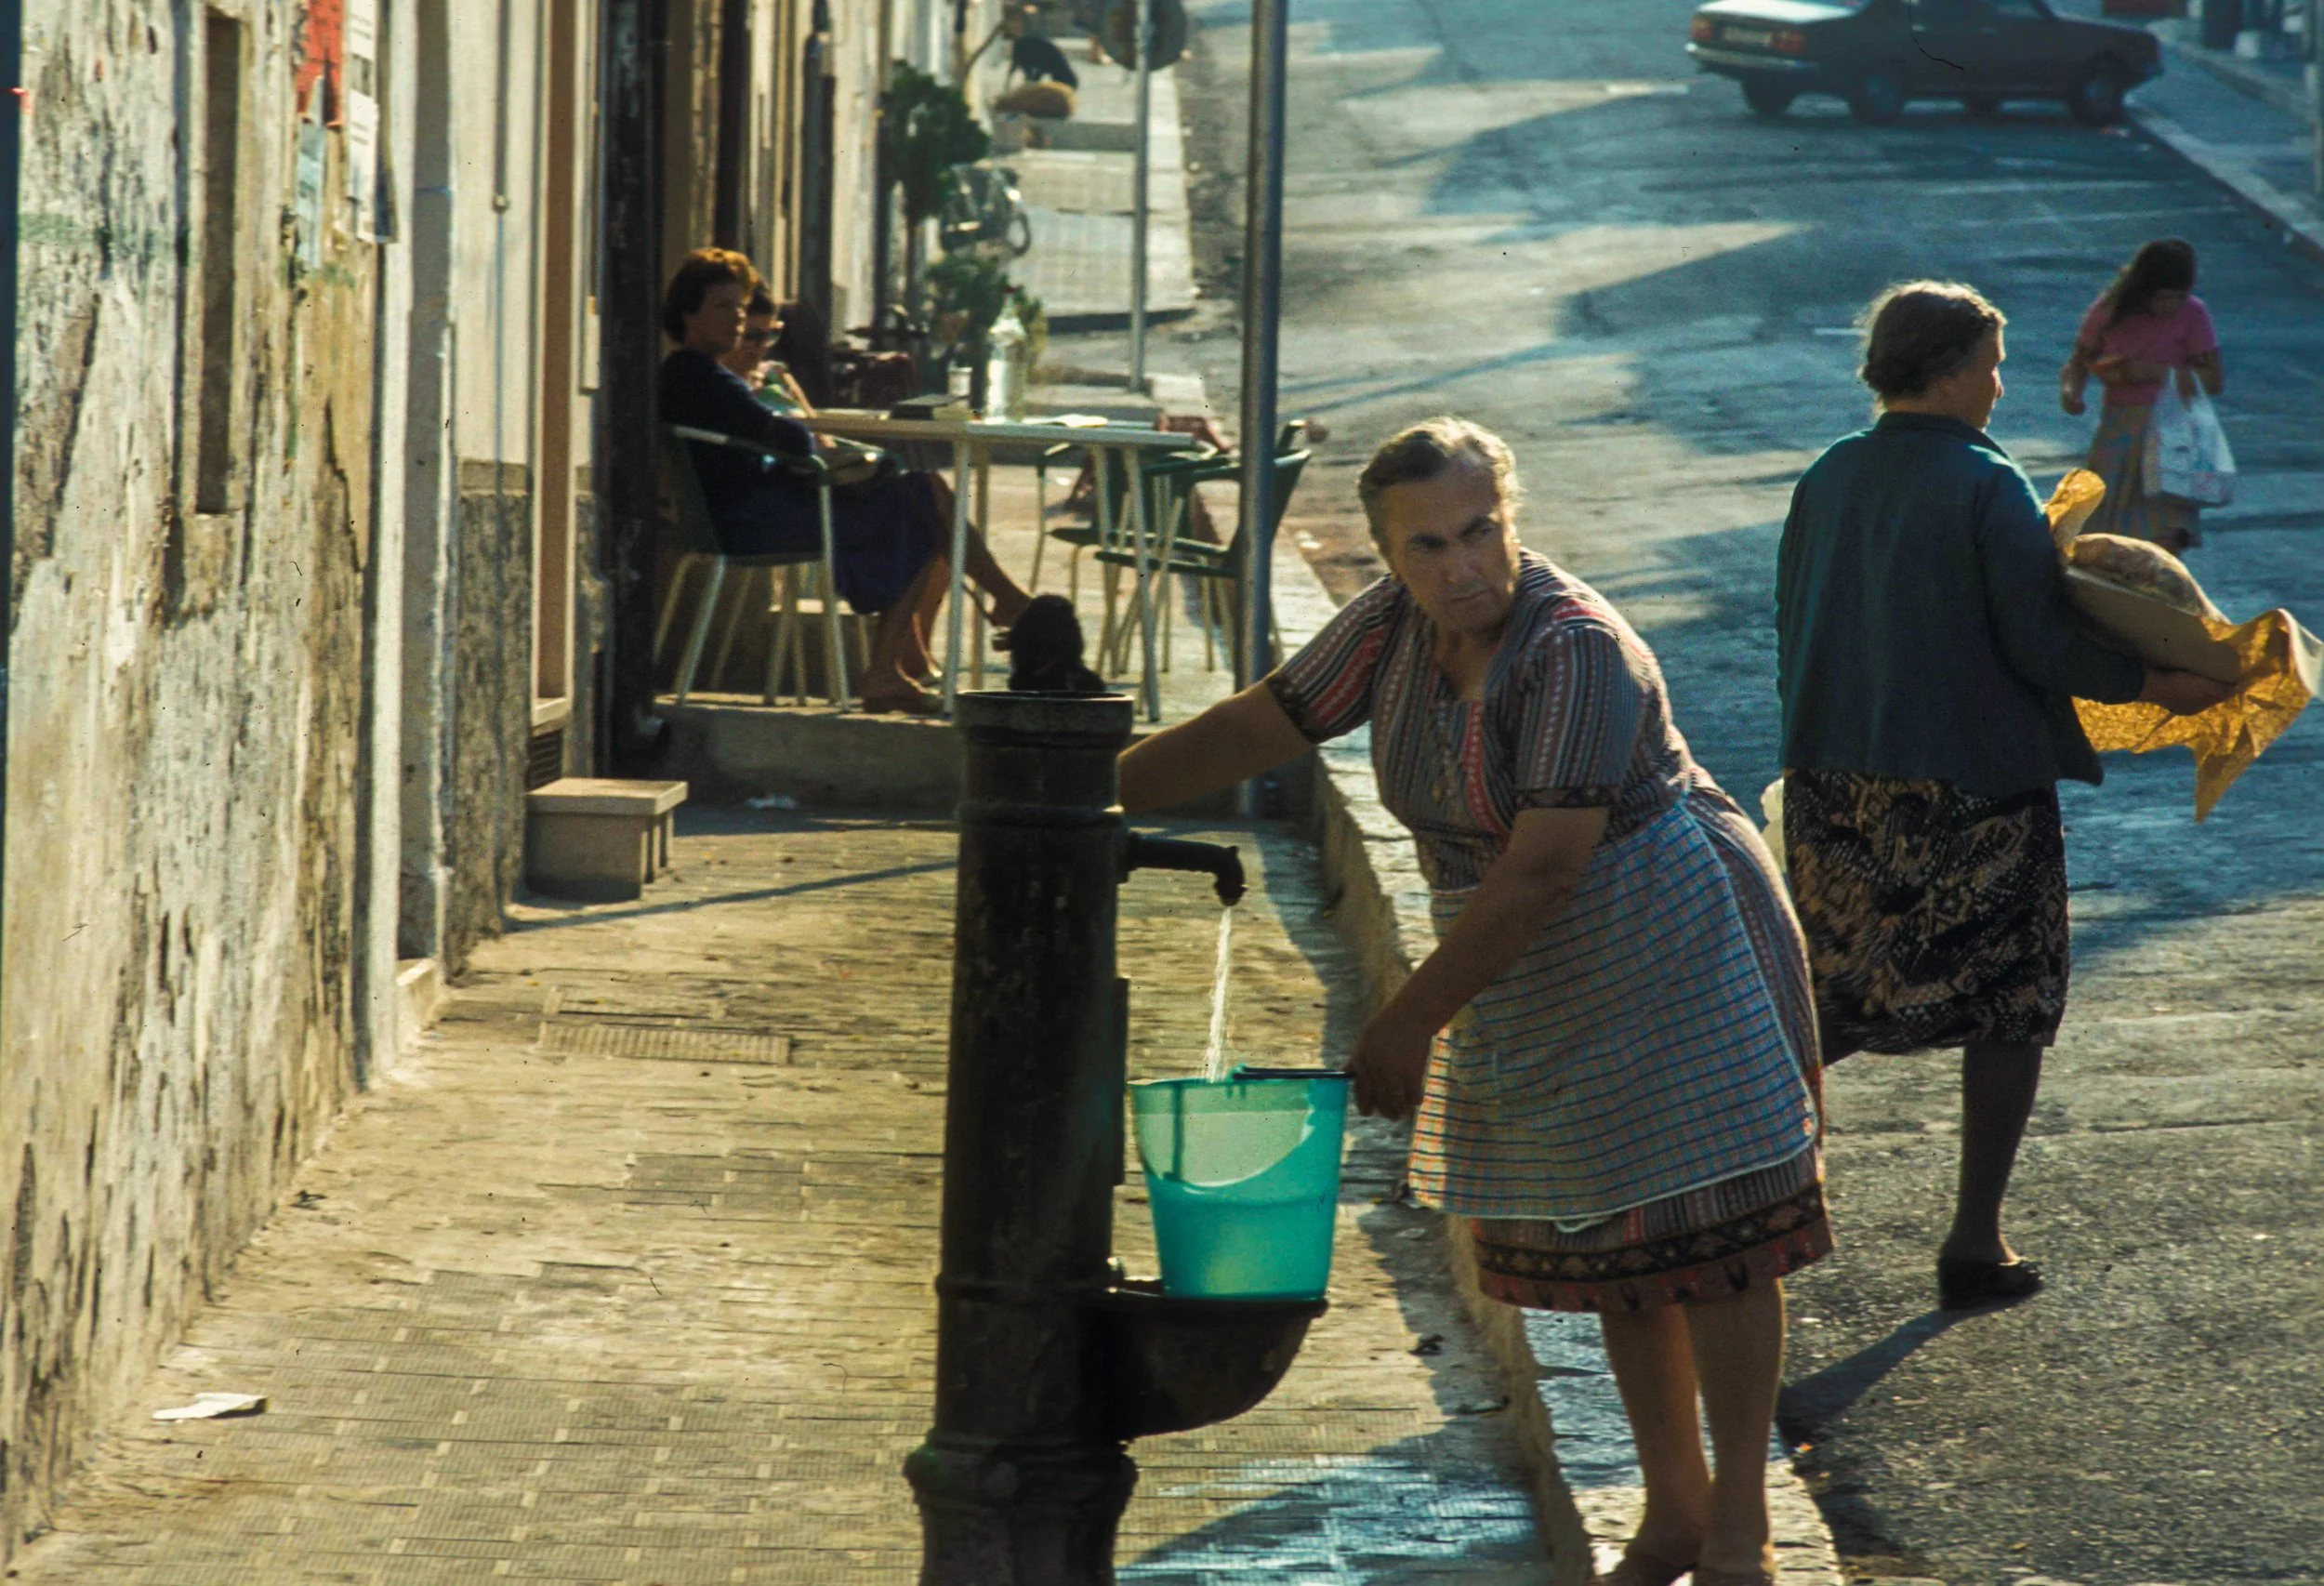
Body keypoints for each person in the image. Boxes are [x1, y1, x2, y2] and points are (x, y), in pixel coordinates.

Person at [1122, 418, 1829, 1586]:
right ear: (1389, 556)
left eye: (1479, 530)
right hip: (1534, 963)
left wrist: (1409, 1020)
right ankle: (1672, 1514)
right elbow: (1259, 722)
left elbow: (1545, 866)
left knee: (1721, 1235)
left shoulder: (1574, 649)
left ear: (1510, 517)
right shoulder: (1391, 629)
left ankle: (1740, 1534)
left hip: (1669, 935)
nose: (1461, 565)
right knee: (1616, 1237)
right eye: (1429, 545)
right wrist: (1082, 796)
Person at [1777, 282, 2231, 1311]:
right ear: (1944, 372)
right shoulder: (1987, 483)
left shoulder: (1828, 475)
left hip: (1833, 782)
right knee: (2009, 1005)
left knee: (1835, 997)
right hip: (1973, 788)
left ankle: (1736, 1182)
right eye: (1989, 364)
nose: (1997, 383)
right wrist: (2156, 681)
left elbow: (1791, 617)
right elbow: (2041, 642)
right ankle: (1974, 1242)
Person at [658, 249, 1029, 712]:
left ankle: (912, 656)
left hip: (755, 513)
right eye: (722, 306)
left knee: (923, 499)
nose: (736, 318)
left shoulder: (694, 375)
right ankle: (974, 619)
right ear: (689, 315)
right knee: (924, 500)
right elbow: (791, 438)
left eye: (739, 306)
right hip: (753, 522)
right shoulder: (702, 378)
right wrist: (796, 438)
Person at [2059, 238, 2225, 554]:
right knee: (2107, 534)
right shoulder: (2110, 312)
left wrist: (2154, 372)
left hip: (2173, 436)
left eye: (2179, 296)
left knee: (2165, 535)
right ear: (2143, 290)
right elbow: (2077, 365)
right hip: (2120, 434)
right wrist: (2072, 395)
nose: (2171, 306)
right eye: (2163, 297)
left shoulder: (2193, 314)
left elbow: (2213, 381)